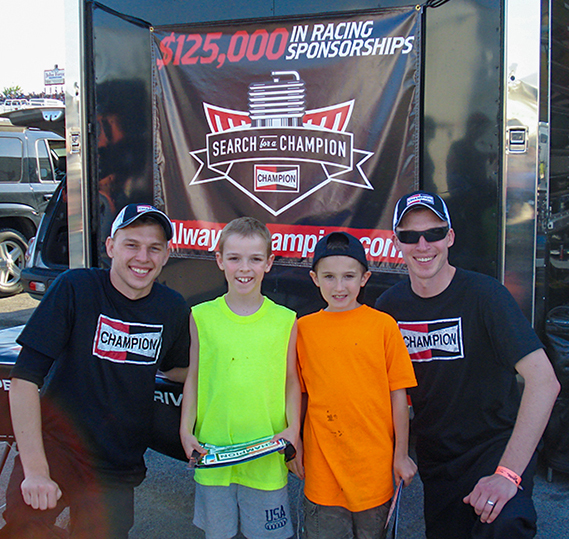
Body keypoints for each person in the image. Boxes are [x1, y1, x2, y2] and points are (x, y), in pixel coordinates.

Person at [375, 191, 560, 538]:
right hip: (438, 461)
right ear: (396, 242)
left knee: (504, 527)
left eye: (433, 233)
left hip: (495, 449)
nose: (423, 244)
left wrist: (507, 474)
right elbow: (378, 391)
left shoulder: (486, 295)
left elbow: (544, 382)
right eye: (410, 236)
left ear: (450, 237)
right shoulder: (389, 307)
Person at [1, 204, 190, 539]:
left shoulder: (172, 307)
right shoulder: (75, 288)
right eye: (131, 244)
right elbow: (25, 379)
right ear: (110, 247)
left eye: (154, 248)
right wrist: (35, 471)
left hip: (116, 463)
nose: (142, 257)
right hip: (56, 449)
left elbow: (180, 370)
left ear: (166, 255)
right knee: (23, 528)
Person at [179, 216, 301, 539]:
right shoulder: (201, 316)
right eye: (234, 258)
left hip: (266, 456)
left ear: (269, 263)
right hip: (213, 454)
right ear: (220, 260)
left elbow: (292, 380)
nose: (244, 268)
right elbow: (194, 377)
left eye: (255, 259)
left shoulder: (285, 320)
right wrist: (185, 429)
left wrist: (294, 429)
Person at [291, 231, 417, 538]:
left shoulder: (383, 326)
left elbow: (398, 396)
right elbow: (296, 395)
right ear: (314, 278)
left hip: (372, 471)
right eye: (329, 277)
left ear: (364, 278)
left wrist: (401, 454)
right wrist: (295, 444)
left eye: (348, 276)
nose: (339, 286)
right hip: (323, 473)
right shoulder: (302, 329)